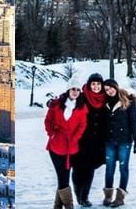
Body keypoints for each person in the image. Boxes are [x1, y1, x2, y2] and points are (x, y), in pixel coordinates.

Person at [45, 76, 89, 209]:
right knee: (62, 176)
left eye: (77, 89)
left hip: (71, 148)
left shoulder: (82, 108)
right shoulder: (57, 105)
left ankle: (57, 206)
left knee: (64, 177)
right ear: (68, 90)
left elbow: (82, 126)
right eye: (72, 89)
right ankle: (69, 206)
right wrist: (52, 134)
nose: (75, 92)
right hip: (56, 147)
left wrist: (74, 139)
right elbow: (48, 121)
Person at [102, 79, 136, 208]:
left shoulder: (128, 101)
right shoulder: (104, 103)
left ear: (116, 87)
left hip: (124, 141)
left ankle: (120, 198)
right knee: (109, 169)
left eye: (111, 88)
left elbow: (134, 122)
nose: (109, 91)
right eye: (106, 89)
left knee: (123, 168)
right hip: (109, 141)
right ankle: (108, 196)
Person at [71, 73, 108, 207]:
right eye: (93, 84)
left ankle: (84, 197)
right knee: (78, 169)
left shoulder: (105, 99)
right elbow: (67, 100)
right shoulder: (82, 96)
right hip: (80, 140)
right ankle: (78, 195)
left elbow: (119, 97)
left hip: (97, 142)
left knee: (90, 169)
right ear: (89, 84)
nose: (96, 87)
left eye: (98, 84)